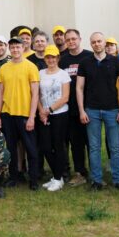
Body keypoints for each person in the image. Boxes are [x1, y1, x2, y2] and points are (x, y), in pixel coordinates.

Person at [77, 32, 119, 190]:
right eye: (94, 42)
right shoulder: (85, 63)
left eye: (99, 41)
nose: (97, 44)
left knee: (115, 147)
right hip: (91, 110)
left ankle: (118, 180)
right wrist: (82, 111)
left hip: (112, 109)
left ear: (104, 43)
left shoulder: (115, 61)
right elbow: (79, 88)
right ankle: (96, 181)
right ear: (90, 44)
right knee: (94, 147)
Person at [0, 36, 42, 189]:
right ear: (10, 49)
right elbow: (1, 93)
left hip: (24, 114)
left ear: (23, 48)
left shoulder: (30, 67)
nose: (15, 50)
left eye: (18, 47)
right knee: (11, 148)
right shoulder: (4, 68)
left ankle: (33, 179)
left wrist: (32, 117)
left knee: (31, 148)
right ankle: (14, 176)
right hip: (7, 114)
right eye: (13, 47)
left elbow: (35, 94)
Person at [58, 28, 92, 184]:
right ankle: (80, 172)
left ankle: (95, 172)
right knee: (76, 142)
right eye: (68, 39)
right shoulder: (62, 60)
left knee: (92, 142)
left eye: (74, 38)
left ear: (80, 39)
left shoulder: (89, 56)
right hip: (70, 108)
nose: (71, 42)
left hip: (90, 106)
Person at [37, 45, 71, 191]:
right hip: (43, 114)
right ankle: (57, 176)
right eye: (48, 57)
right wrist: (41, 112)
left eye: (53, 57)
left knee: (58, 146)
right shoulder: (40, 73)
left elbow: (65, 97)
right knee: (45, 146)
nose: (50, 59)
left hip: (60, 114)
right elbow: (36, 95)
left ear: (58, 58)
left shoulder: (63, 74)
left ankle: (58, 178)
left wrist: (48, 111)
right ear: (45, 58)